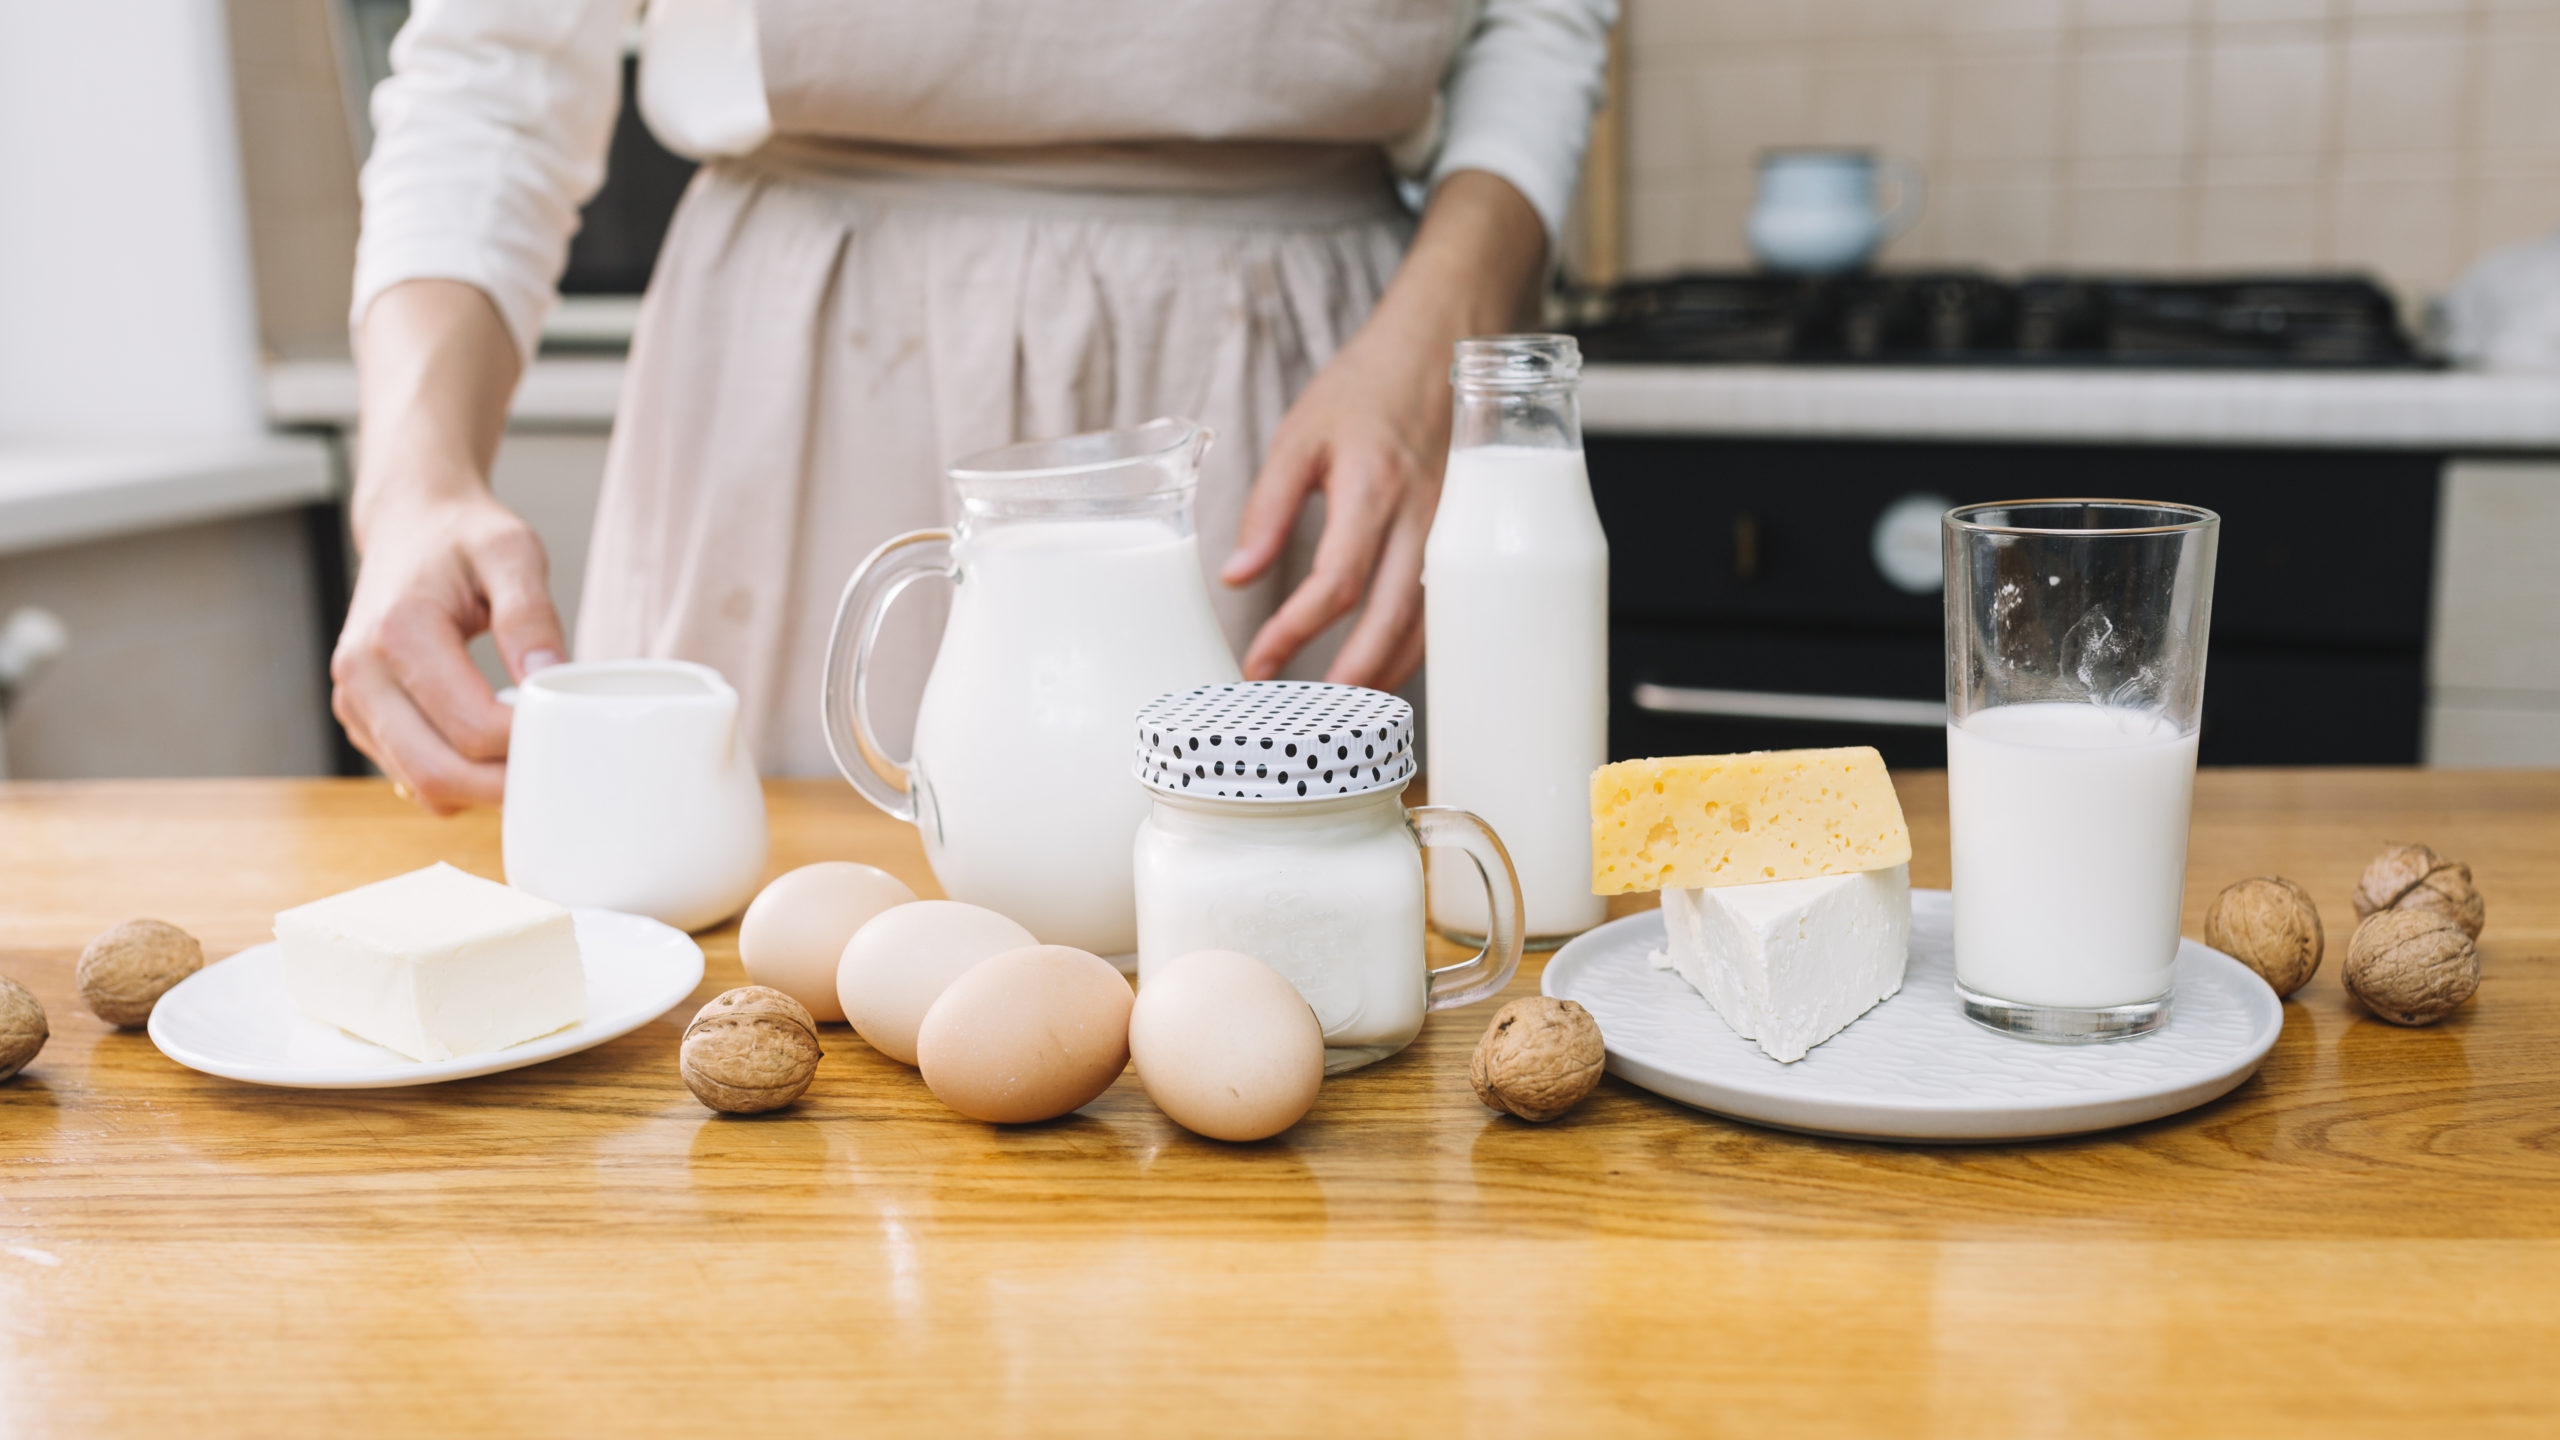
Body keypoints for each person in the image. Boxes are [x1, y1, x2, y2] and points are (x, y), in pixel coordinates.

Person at [335, 0, 1615, 812]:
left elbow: (1539, 19)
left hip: (1311, 395)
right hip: (812, 377)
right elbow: (492, 79)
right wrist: (414, 482)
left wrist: (1440, 332)